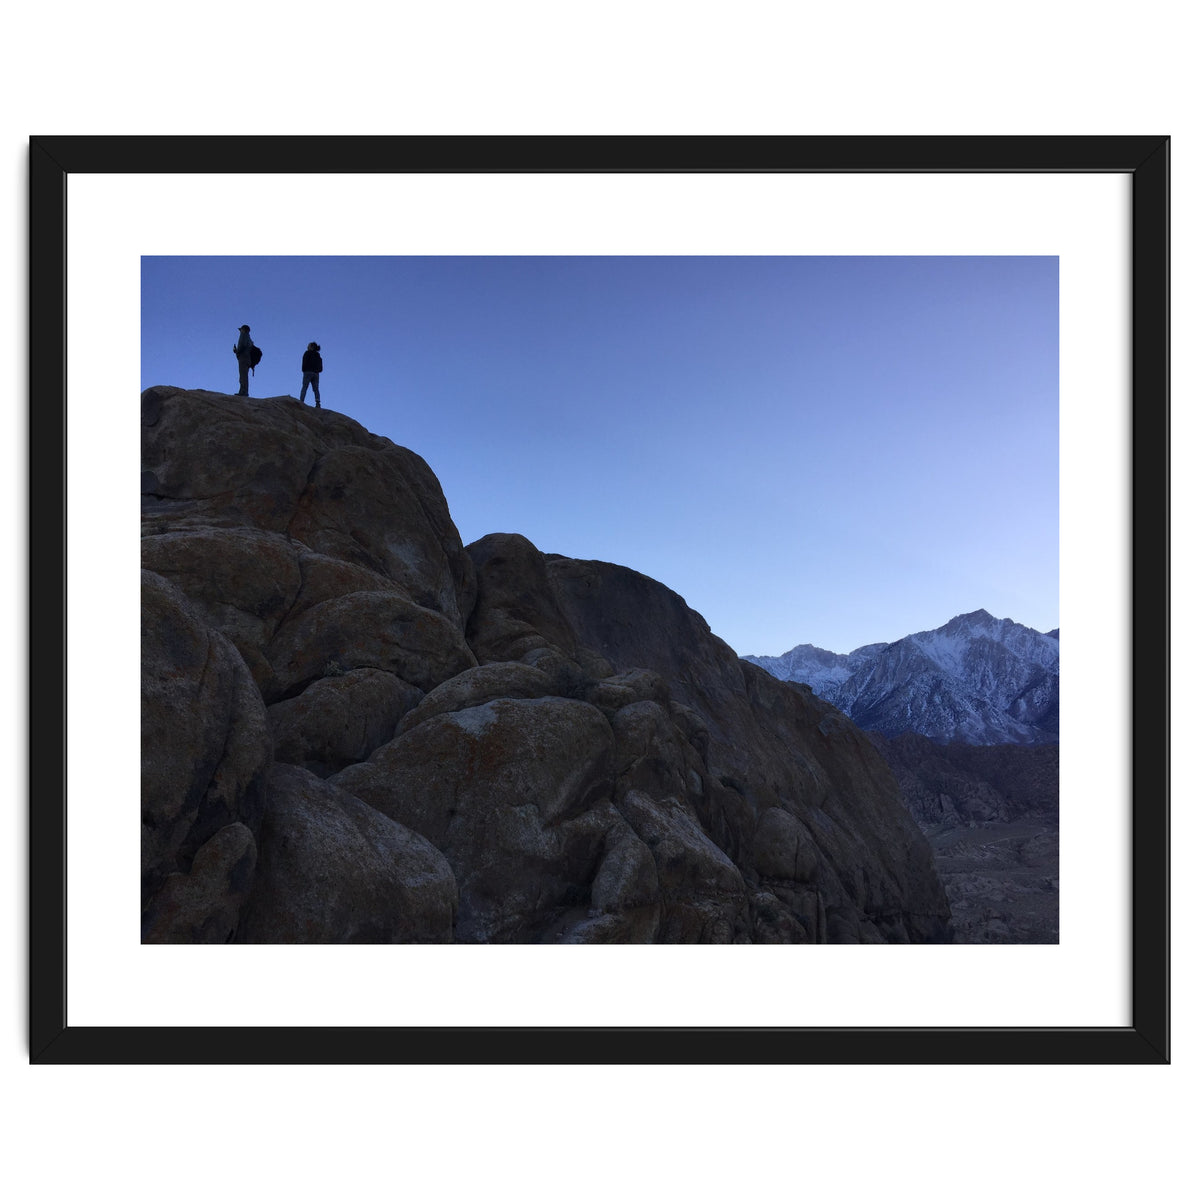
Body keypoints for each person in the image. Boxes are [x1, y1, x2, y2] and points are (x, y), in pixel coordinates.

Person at [233, 324, 257, 396]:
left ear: (243, 329)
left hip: (243, 358)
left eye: (241, 330)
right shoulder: (250, 339)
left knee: (243, 376)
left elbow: (242, 345)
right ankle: (244, 391)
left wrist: (236, 351)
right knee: (244, 376)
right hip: (247, 359)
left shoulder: (244, 335)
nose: (240, 331)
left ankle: (243, 392)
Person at [300, 341, 323, 408]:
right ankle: (318, 403)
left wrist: (304, 370)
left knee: (305, 387)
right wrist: (317, 371)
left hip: (308, 372)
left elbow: (304, 362)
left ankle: (301, 401)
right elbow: (321, 367)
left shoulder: (307, 353)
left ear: (311, 347)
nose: (307, 347)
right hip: (316, 374)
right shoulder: (318, 356)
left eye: (309, 345)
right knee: (316, 389)